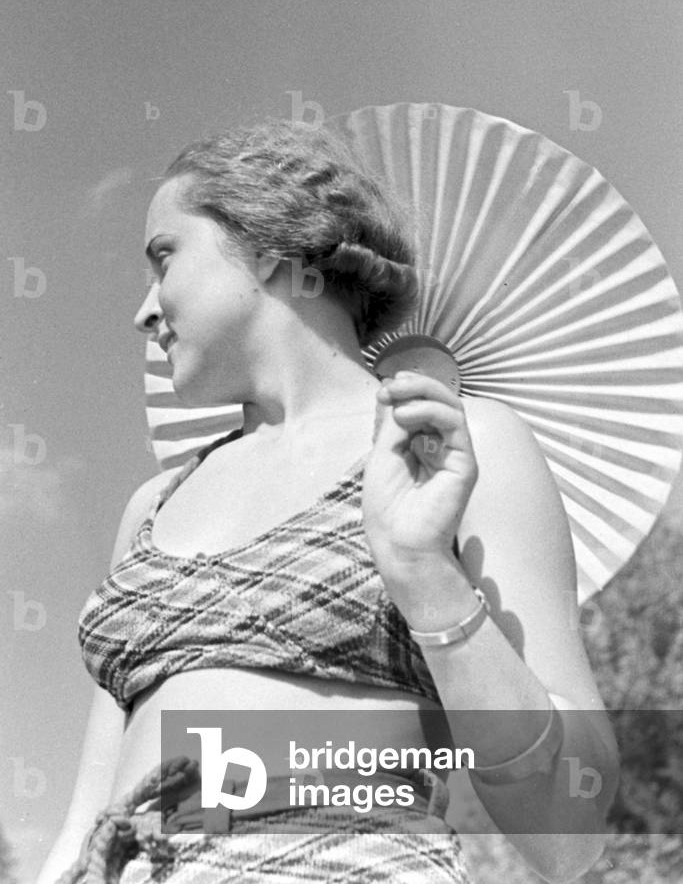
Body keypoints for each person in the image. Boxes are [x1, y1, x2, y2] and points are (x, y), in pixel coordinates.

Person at [39, 118, 619, 884]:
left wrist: (422, 571)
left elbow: (570, 830)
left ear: (272, 243)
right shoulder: (151, 502)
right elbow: (89, 819)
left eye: (163, 258)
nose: (143, 311)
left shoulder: (452, 445)